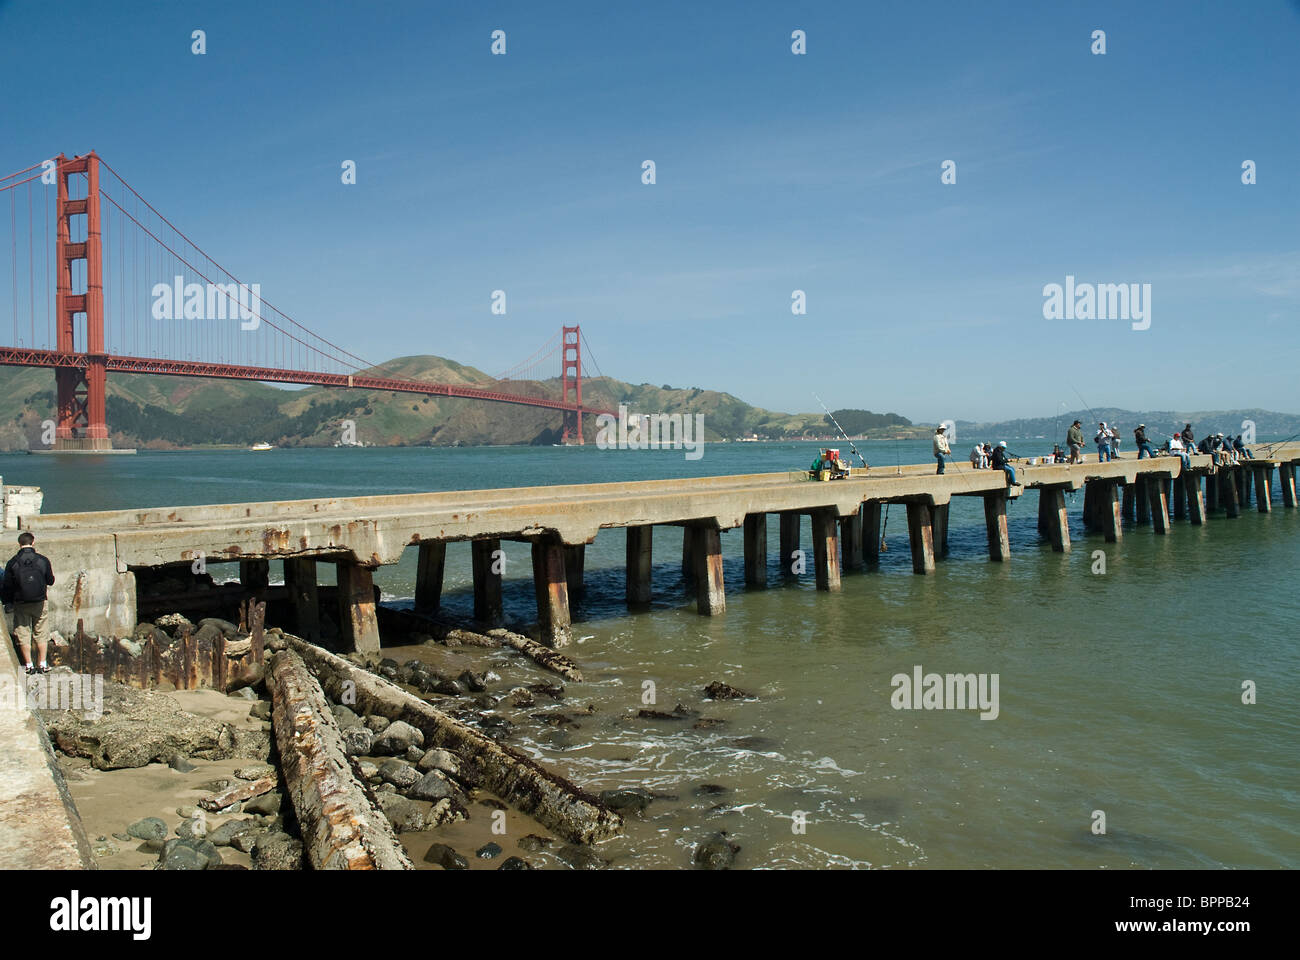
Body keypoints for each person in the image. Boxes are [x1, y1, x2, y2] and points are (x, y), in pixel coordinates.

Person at [2, 531, 56, 676]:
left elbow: (7, 586)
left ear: (19, 544)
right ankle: (42, 664)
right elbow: (50, 581)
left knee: (23, 634)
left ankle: (28, 665)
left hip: (21, 603)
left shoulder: (12, 562)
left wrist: (8, 603)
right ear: (33, 542)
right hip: (39, 602)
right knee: (41, 632)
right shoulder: (43, 560)